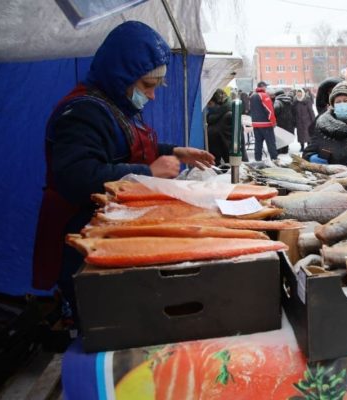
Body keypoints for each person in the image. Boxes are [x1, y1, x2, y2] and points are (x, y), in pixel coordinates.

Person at [31, 21, 214, 318]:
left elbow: (128, 148)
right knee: (95, 316)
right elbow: (78, 177)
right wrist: (148, 173)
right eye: (147, 86)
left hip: (112, 231)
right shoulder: (80, 113)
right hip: (82, 238)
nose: (152, 96)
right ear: (121, 76)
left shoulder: (117, 106)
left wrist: (174, 151)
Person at [302, 81, 347, 166]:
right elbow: (308, 153)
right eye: (338, 102)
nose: (342, 104)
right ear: (333, 106)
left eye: (346, 101)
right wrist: (311, 158)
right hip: (333, 177)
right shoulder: (323, 126)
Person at [249, 81, 278, 161]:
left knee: (258, 144)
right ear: (262, 87)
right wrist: (273, 121)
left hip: (256, 124)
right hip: (266, 124)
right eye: (265, 87)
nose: (266, 88)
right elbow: (269, 110)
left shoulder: (252, 96)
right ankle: (274, 159)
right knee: (271, 143)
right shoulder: (264, 96)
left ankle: (257, 160)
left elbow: (250, 109)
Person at [206, 89, 235, 164]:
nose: (208, 106)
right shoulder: (213, 117)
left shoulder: (228, 116)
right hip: (217, 162)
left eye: (210, 103)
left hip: (228, 165)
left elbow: (230, 146)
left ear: (218, 102)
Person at [273, 89, 295, 154]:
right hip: (289, 122)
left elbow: (275, 111)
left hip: (280, 122)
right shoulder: (290, 101)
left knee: (279, 137)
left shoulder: (277, 102)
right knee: (286, 136)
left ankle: (279, 150)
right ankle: (285, 150)